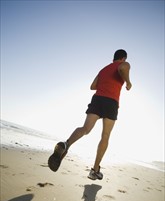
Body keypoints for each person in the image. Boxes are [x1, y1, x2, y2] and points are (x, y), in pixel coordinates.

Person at [48, 49, 132, 180]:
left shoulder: (103, 69)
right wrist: (128, 82)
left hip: (97, 99)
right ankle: (95, 170)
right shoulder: (125, 64)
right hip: (111, 102)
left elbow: (93, 86)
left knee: (85, 129)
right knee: (105, 136)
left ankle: (66, 144)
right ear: (123, 58)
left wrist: (105, 82)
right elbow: (122, 68)